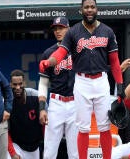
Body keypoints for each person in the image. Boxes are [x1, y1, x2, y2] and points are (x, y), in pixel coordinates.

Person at [39, 0, 124, 159]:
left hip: (101, 81)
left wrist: (120, 85)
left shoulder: (107, 31)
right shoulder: (73, 32)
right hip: (82, 81)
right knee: (84, 128)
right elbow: (61, 53)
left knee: (105, 126)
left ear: (97, 9)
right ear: (81, 10)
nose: (90, 10)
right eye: (86, 7)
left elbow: (114, 62)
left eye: (92, 6)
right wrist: (49, 62)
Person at [39, 16, 78, 159]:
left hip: (75, 103)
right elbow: (43, 83)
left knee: (76, 152)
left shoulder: (78, 51)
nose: (58, 31)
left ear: (69, 29)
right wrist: (42, 108)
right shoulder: (49, 53)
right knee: (50, 151)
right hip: (56, 103)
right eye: (55, 29)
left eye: (61, 28)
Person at [8, 69, 44, 159]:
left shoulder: (36, 96)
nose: (17, 87)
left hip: (34, 147)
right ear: (10, 84)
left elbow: (45, 124)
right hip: (16, 146)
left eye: (20, 84)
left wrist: (47, 146)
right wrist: (12, 153)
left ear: (24, 83)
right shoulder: (7, 102)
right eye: (15, 84)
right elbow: (5, 132)